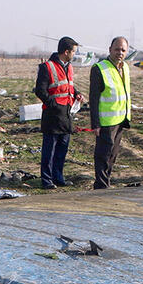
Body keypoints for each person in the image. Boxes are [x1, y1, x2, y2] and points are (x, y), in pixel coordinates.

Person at [34, 36, 84, 189]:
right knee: (49, 150)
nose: (74, 54)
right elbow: (40, 90)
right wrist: (53, 104)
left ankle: (58, 177)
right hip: (53, 115)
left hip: (67, 114)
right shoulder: (47, 67)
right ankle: (47, 180)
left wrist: (77, 93)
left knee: (62, 149)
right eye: (73, 51)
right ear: (66, 51)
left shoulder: (69, 67)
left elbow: (68, 86)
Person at [89, 37, 132, 189]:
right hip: (106, 122)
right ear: (110, 50)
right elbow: (93, 99)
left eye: (123, 50)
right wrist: (95, 124)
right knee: (103, 155)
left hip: (120, 119)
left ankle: (106, 182)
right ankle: (100, 186)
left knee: (113, 156)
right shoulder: (99, 69)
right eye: (117, 49)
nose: (120, 53)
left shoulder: (125, 68)